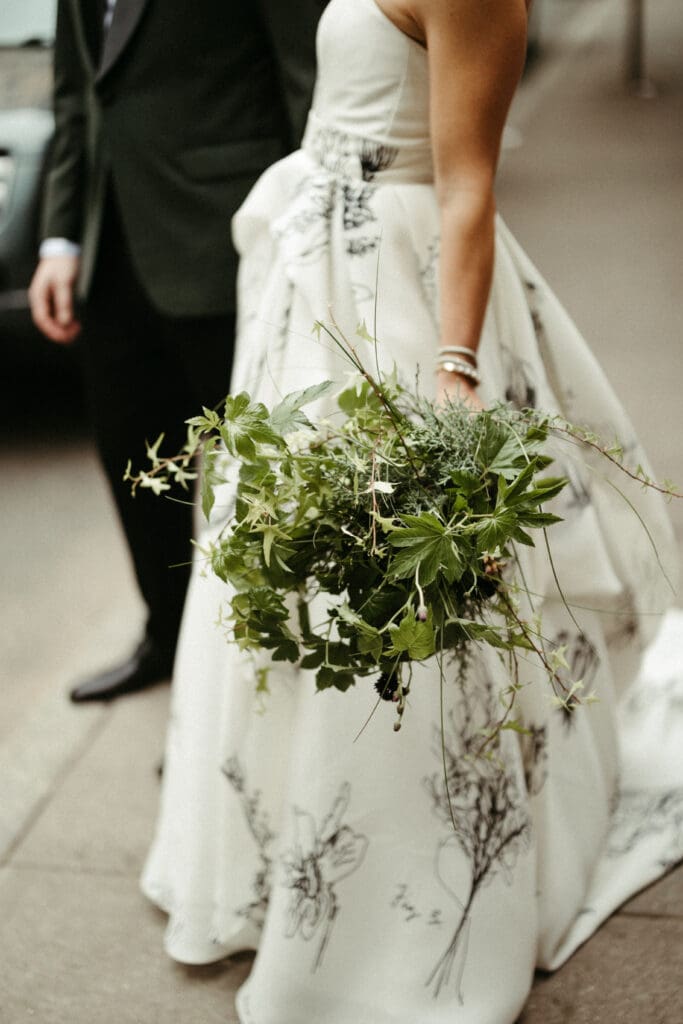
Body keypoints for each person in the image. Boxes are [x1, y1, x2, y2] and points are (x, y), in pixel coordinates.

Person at [143, 1, 683, 1021]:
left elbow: (466, 182)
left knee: (395, 584)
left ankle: (397, 903)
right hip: (313, 280)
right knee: (285, 564)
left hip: (393, 299)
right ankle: (280, 846)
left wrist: (451, 365)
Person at [28, 0, 325, 702]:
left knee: (256, 483)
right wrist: (60, 239)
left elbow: (307, 84)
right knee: (133, 461)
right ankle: (168, 642)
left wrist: (303, 249)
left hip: (229, 248)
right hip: (111, 254)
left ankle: (253, 684)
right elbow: (79, 94)